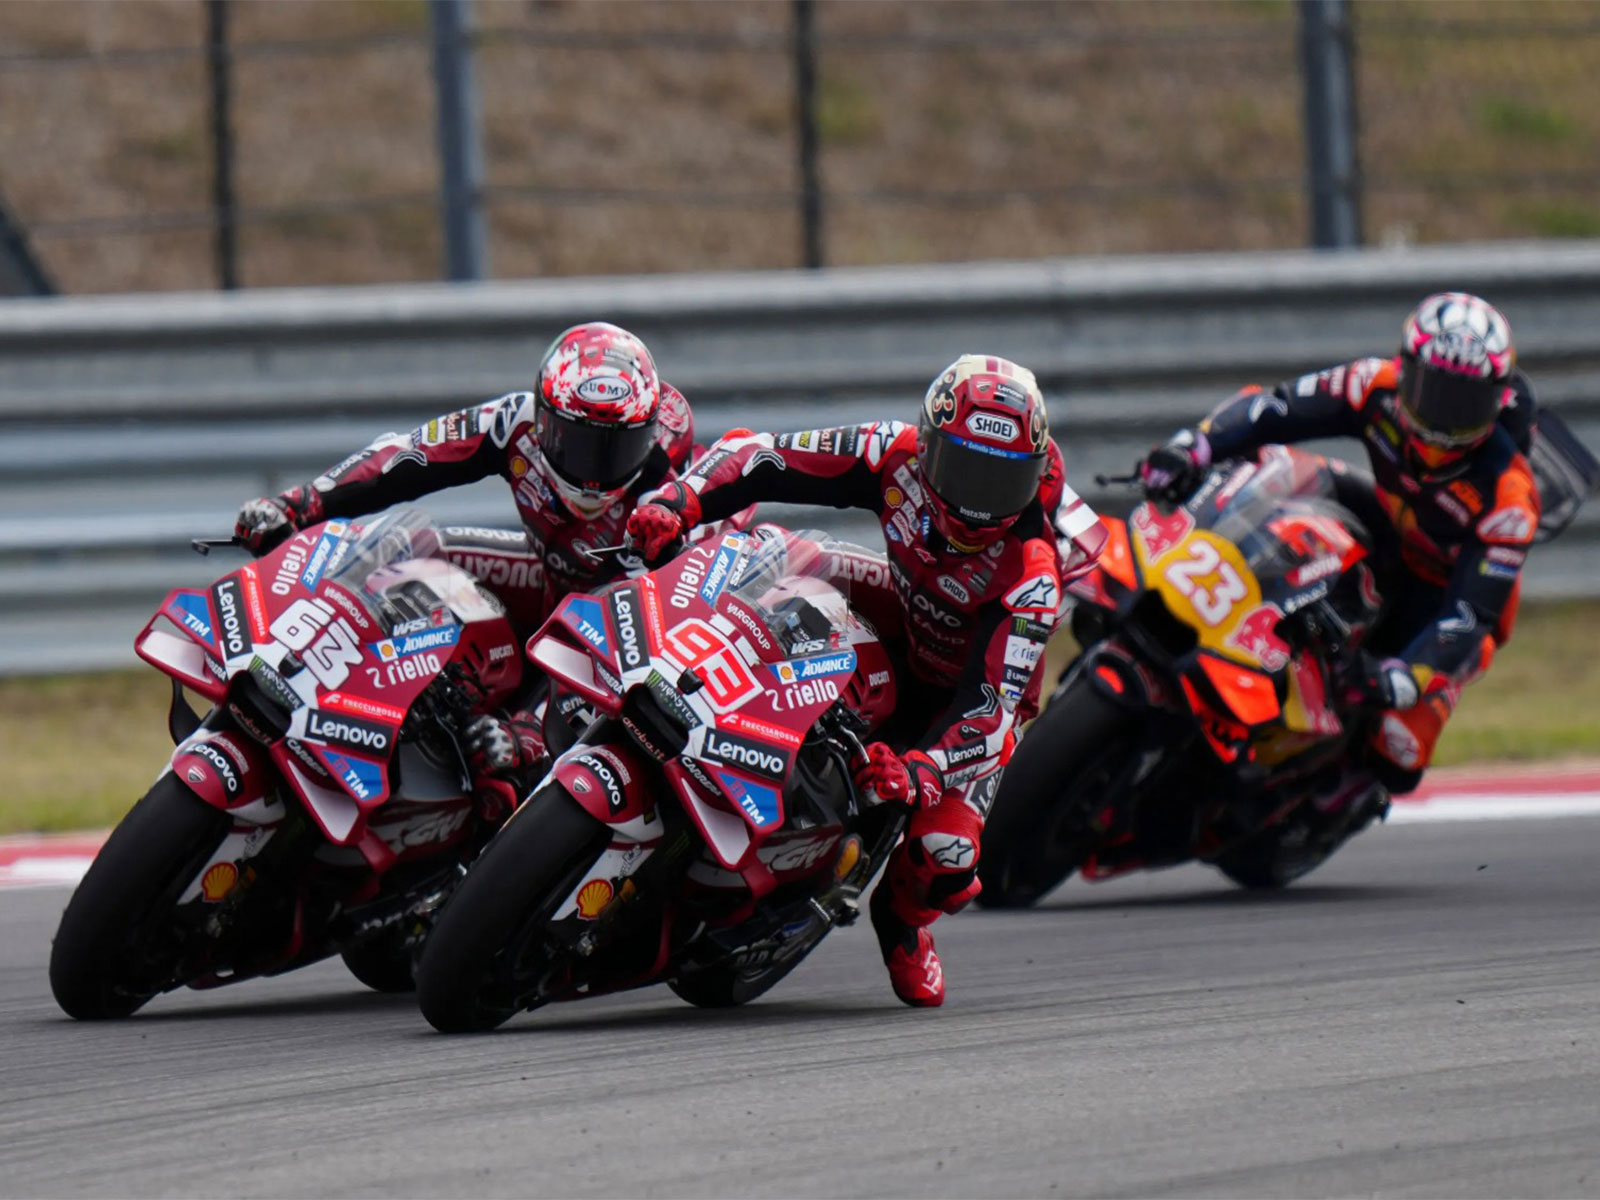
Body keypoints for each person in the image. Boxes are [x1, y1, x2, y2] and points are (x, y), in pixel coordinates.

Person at [625, 354, 1107, 1007]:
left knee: (947, 856)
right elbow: (757, 454)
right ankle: (689, 681)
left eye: (999, 483)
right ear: (930, 445)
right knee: (786, 555)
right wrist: (679, 500)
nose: (973, 503)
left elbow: (992, 710)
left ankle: (902, 925)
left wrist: (923, 770)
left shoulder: (1031, 573)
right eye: (962, 470)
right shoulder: (892, 453)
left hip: (962, 706)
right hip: (901, 616)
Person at [234, 321, 697, 801]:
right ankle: (331, 677)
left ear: (647, 438)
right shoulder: (512, 423)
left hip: (627, 637)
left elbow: (644, 640)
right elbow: (408, 456)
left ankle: (524, 752)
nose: (592, 476)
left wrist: (529, 731)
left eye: (614, 450)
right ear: (543, 419)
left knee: (600, 627)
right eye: (573, 442)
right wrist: (300, 505)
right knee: (423, 552)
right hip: (547, 583)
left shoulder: (673, 488)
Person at [1139, 291, 1540, 814]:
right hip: (1391, 520)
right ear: (1405, 369)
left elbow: (1471, 617)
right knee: (1282, 468)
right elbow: (1274, 408)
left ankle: (1334, 800)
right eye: (1431, 392)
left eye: (1463, 404)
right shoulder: (1373, 385)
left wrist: (1405, 676)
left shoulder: (1510, 497)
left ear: (1497, 401)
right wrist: (1192, 447)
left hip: (1445, 596)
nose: (1443, 420)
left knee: (1399, 754)